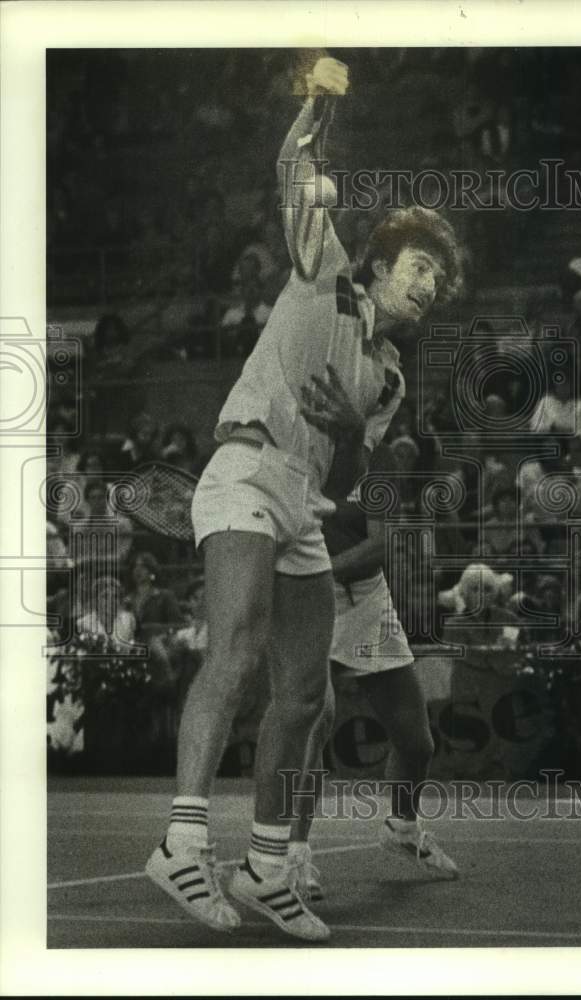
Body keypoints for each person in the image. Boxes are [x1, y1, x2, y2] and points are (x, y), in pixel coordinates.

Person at [146, 56, 463, 942]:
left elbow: (339, 486)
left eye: (439, 278)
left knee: (306, 699)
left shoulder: (390, 376)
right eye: (417, 264)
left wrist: (352, 433)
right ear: (380, 259)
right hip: (244, 471)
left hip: (303, 505)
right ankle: (180, 841)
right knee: (239, 646)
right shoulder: (321, 270)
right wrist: (314, 116)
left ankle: (268, 865)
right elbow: (297, 177)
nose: (428, 282)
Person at [282, 445, 458, 899]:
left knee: (417, 741)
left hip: (367, 600)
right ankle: (293, 855)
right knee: (315, 726)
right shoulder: (295, 452)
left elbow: (379, 546)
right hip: (311, 602)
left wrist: (321, 568)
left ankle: (401, 825)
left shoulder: (376, 465)